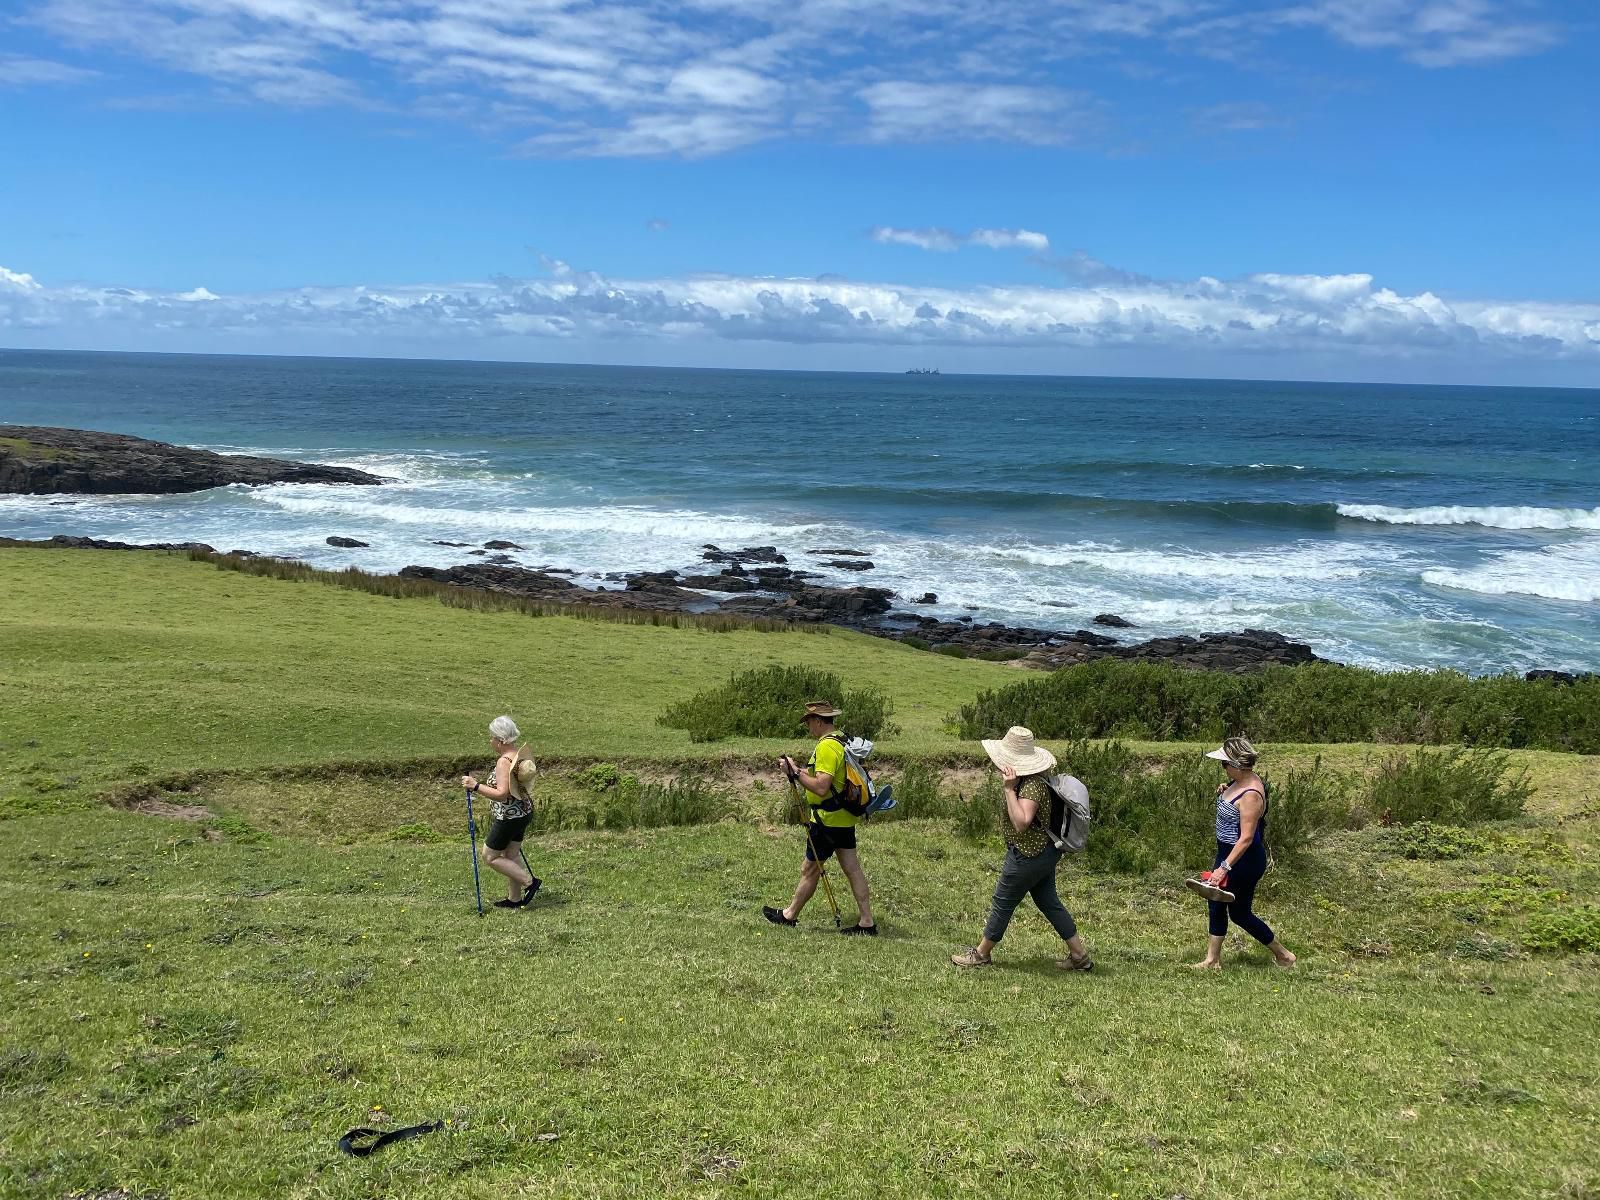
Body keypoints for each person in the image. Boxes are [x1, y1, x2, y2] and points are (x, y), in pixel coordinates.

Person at [951, 726, 1093, 971]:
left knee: (1003, 900)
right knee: (1048, 901)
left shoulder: (1031, 786)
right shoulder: (1031, 781)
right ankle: (1079, 956)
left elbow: (1021, 822)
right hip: (1045, 851)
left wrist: (1008, 790)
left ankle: (981, 954)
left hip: (1029, 854)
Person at [762, 701, 877, 935]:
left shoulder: (825, 747)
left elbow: (822, 787)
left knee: (810, 869)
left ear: (817, 721)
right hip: (844, 817)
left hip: (826, 821)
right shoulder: (841, 740)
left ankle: (789, 915)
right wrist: (798, 770)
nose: (807, 727)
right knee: (852, 869)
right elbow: (831, 779)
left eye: (808, 722)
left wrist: (794, 773)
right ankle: (867, 921)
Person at [1190, 736, 1296, 970]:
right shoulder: (1237, 784)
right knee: (1216, 903)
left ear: (1237, 765)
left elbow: (1246, 838)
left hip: (1243, 860)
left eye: (1224, 764)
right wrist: (1225, 791)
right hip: (1227, 854)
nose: (1223, 768)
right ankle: (1212, 960)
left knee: (1239, 913)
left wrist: (1224, 868)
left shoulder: (1251, 794)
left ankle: (1284, 956)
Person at [460, 716, 541, 910]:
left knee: (490, 857)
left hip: (509, 817)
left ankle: (529, 882)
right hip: (524, 811)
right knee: (511, 855)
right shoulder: (519, 755)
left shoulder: (503, 761)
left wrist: (475, 786)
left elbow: (502, 794)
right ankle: (514, 900)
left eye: (492, 738)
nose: (491, 741)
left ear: (501, 740)